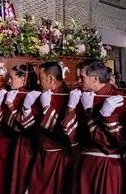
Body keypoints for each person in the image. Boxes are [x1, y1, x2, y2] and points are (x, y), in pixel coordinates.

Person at [16, 61, 78, 194]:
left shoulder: (69, 96)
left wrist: (47, 109)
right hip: (41, 155)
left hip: (58, 159)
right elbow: (31, 128)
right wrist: (26, 109)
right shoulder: (41, 93)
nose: (38, 82)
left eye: (41, 78)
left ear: (51, 78)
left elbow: (65, 133)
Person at [68, 60, 126, 194]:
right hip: (85, 161)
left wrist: (90, 112)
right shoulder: (82, 95)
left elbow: (109, 143)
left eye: (82, 77)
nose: (78, 80)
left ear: (95, 79)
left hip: (107, 165)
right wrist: (70, 108)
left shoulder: (116, 98)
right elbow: (70, 134)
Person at [0, 64, 39, 194]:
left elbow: (21, 125)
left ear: (23, 79)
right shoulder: (16, 93)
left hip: (27, 146)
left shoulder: (30, 95)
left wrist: (10, 105)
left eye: (12, 78)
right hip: (18, 144)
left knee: (21, 179)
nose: (8, 81)